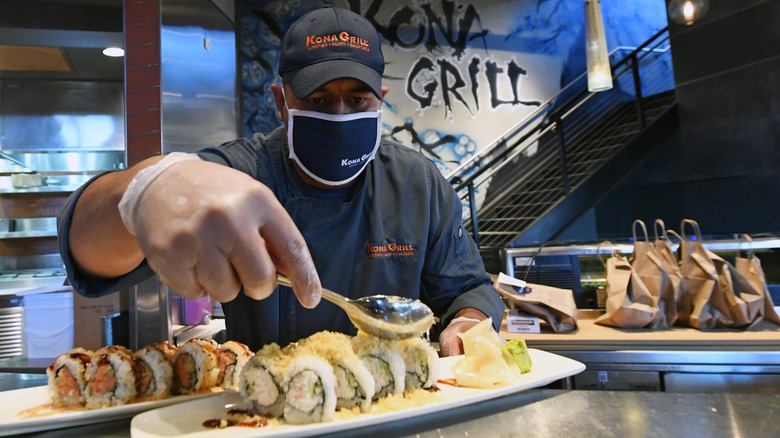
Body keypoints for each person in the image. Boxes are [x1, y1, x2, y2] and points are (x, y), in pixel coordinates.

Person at [57, 6, 504, 356]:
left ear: (380, 101)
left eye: (357, 99)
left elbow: (467, 289)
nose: (339, 114)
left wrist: (467, 325)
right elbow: (84, 247)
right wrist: (144, 190)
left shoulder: (417, 184)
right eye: (319, 98)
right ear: (280, 101)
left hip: (400, 412)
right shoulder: (237, 175)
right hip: (265, 419)